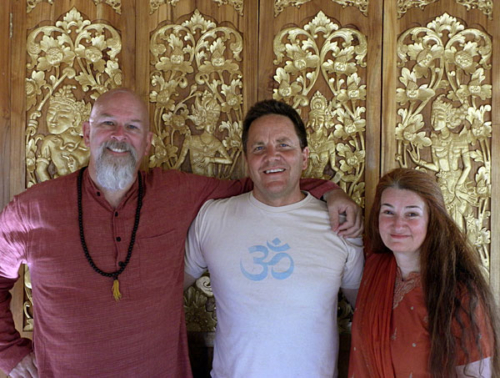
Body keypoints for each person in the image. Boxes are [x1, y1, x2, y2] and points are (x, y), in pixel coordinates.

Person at [0, 88, 363, 377]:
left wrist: (328, 190)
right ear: (85, 133)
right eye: (108, 123)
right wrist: (8, 352)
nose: (119, 137)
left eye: (133, 127)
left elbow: (266, 182)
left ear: (149, 142)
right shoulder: (32, 209)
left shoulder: (176, 193)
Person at [184, 99, 364, 377]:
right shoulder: (212, 218)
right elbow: (168, 288)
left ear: (304, 157)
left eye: (284, 145)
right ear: (246, 160)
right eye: (259, 148)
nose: (271, 156)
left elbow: (367, 309)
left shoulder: (340, 226)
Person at [349, 168, 499, 377]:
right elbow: (293, 189)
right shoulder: (373, 266)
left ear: (432, 219)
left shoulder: (458, 292)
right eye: (388, 212)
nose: (397, 224)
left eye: (412, 214)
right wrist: (332, 193)